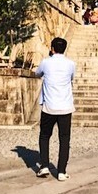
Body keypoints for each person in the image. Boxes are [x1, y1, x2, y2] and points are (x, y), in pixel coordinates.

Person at [34, 37, 75, 181]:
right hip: (65, 107)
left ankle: (44, 165)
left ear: (52, 49)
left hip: (49, 107)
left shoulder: (46, 62)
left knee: (45, 136)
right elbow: (71, 78)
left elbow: (37, 74)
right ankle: (61, 171)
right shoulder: (70, 64)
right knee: (64, 139)